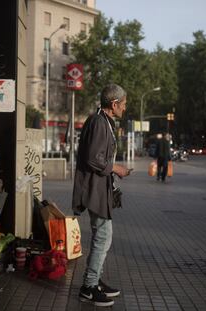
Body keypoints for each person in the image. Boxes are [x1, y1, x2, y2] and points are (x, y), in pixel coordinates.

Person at [72, 83, 131, 307]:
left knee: (103, 237)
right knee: (102, 238)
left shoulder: (102, 120)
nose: (124, 109)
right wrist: (118, 169)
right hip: (94, 190)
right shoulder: (99, 122)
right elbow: (94, 159)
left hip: (99, 188)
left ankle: (94, 281)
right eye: (123, 105)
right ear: (113, 104)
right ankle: (89, 287)